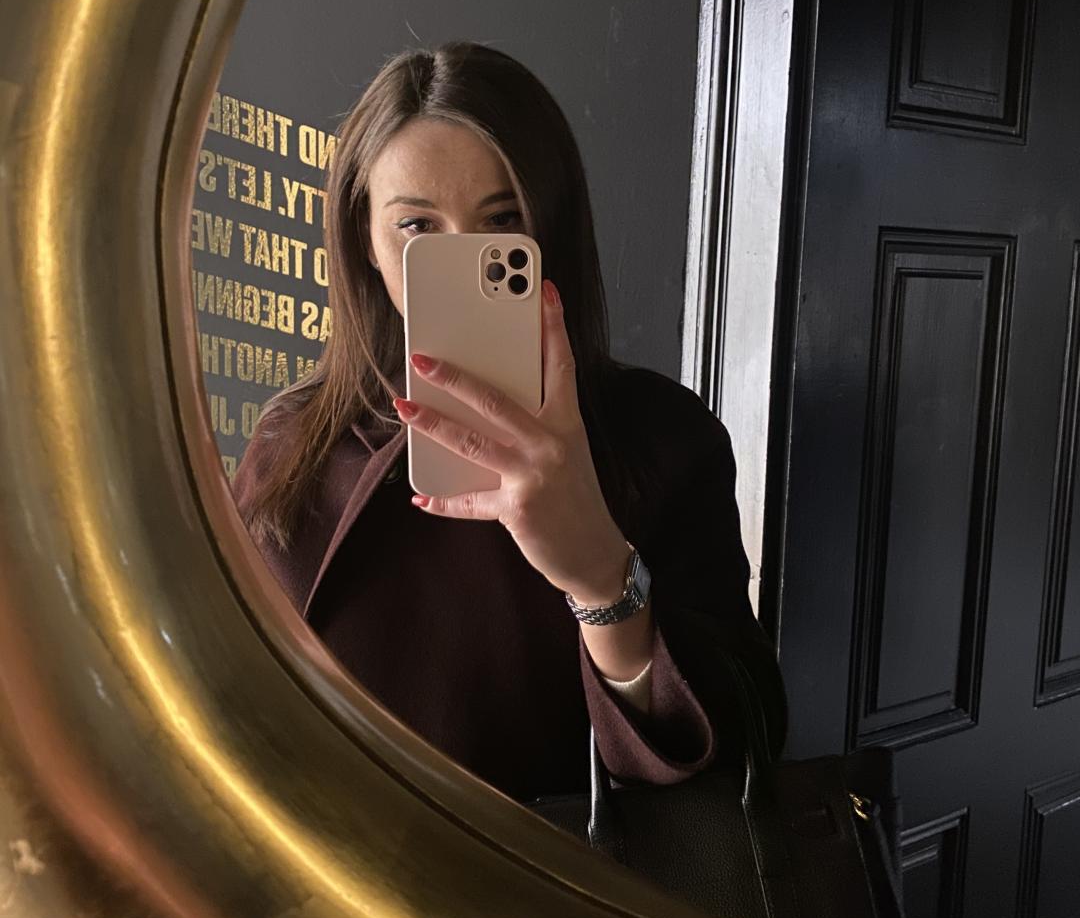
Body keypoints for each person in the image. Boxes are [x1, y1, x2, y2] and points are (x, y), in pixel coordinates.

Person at [232, 41, 787, 803]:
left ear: (550, 227)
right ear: (365, 239)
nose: (462, 258)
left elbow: (744, 750)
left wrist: (602, 577)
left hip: (554, 876)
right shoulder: (293, 446)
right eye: (417, 227)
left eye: (502, 221)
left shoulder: (664, 440)